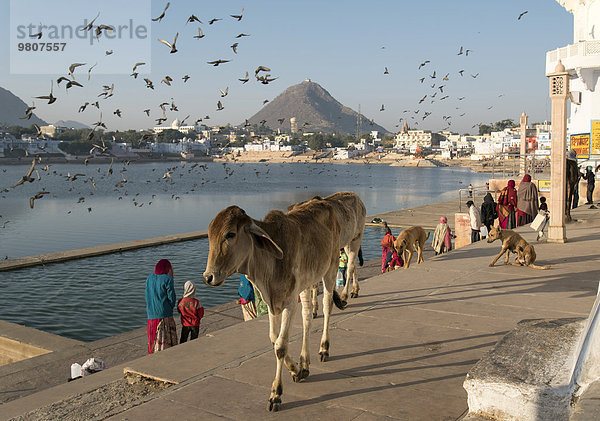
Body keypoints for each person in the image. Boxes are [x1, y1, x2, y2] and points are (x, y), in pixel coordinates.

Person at [145, 259, 177, 354]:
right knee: (166, 340)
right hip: (164, 314)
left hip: (151, 314)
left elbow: (147, 295)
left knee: (153, 339)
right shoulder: (168, 279)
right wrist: (170, 307)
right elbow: (172, 298)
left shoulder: (149, 278)